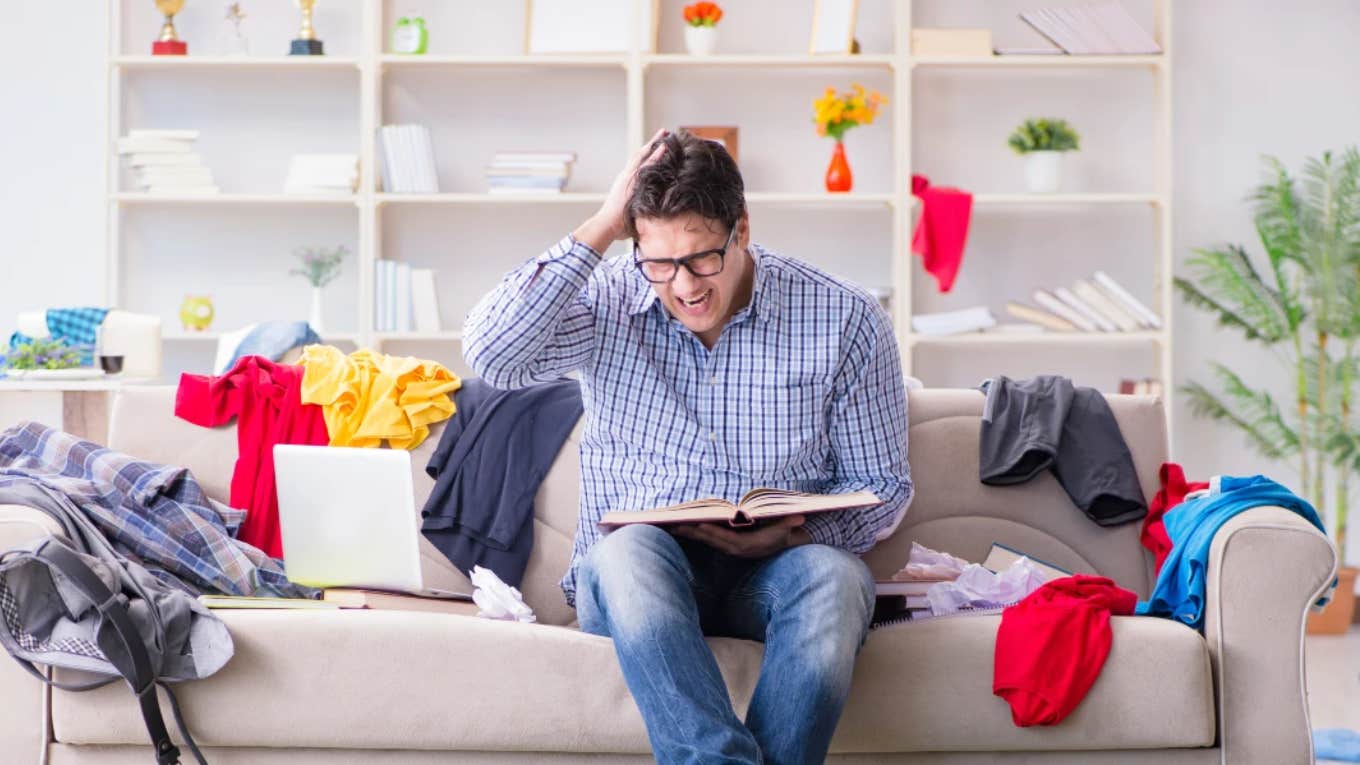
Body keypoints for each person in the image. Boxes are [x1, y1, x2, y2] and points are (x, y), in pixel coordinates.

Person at [463, 128, 913, 764]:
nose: (684, 287)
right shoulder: (609, 298)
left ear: (743, 230)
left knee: (834, 579)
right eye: (660, 263)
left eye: (703, 257)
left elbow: (884, 482)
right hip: (639, 579)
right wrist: (601, 224)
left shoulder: (845, 316)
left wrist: (794, 537)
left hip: (777, 571)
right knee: (628, 554)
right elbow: (494, 358)